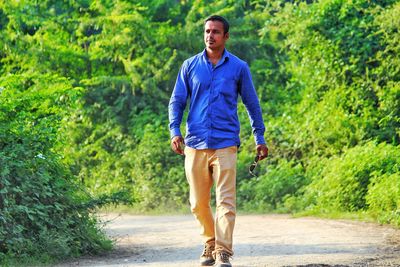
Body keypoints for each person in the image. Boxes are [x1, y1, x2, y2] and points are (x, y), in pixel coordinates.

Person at [168, 15, 268, 267]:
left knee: (226, 201)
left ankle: (223, 251)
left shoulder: (238, 67)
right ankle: (210, 241)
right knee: (197, 202)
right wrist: (174, 131)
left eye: (215, 32)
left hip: (225, 143)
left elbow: (251, 104)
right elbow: (177, 101)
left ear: (226, 36)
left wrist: (259, 136)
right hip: (195, 143)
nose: (210, 35)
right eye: (207, 31)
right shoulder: (190, 66)